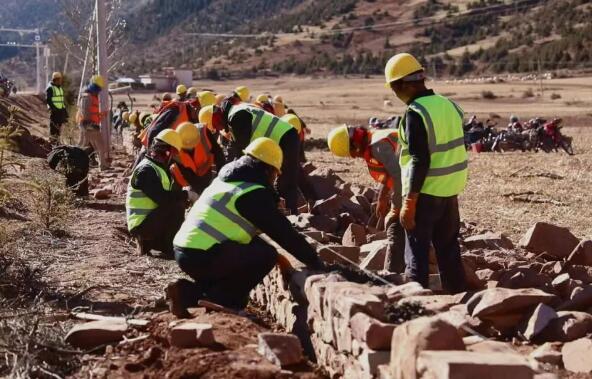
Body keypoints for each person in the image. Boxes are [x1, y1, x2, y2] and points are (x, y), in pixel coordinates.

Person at [167, 137, 325, 317]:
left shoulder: (230, 180)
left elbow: (249, 234)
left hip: (188, 250)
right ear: (267, 169)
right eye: (275, 173)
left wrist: (283, 261)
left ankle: (185, 293)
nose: (275, 179)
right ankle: (225, 303)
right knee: (265, 256)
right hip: (203, 255)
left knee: (258, 252)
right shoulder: (251, 193)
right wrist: (315, 262)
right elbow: (283, 233)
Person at [385, 52, 468, 294]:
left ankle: (416, 305)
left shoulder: (415, 112)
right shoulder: (449, 105)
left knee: (417, 253)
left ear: (402, 85)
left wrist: (409, 201)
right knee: (448, 249)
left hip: (425, 191)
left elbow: (420, 159)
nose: (394, 94)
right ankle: (461, 301)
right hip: (450, 188)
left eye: (394, 88)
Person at [327, 125, 405, 272]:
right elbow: (392, 168)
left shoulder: (378, 146)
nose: (355, 157)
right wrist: (383, 194)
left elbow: (399, 175)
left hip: (422, 185)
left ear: (355, 144)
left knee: (395, 229)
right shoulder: (374, 139)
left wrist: (395, 207)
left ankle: (394, 277)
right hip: (419, 182)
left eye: (352, 153)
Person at [201, 103, 301, 214]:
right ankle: (307, 203)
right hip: (285, 137)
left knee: (285, 182)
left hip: (284, 139)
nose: (218, 129)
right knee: (291, 176)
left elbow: (242, 150)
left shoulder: (236, 117)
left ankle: (291, 216)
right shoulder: (235, 112)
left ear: (215, 119)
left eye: (215, 126)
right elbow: (235, 148)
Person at [126, 129, 194, 257]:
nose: (174, 156)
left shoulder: (157, 168)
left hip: (150, 222)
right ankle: (164, 245)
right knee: (175, 205)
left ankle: (160, 244)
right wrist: (186, 195)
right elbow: (163, 199)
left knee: (176, 203)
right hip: (141, 226)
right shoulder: (146, 170)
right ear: (166, 151)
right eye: (173, 152)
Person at [170, 121, 225, 194]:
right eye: (187, 148)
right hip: (191, 179)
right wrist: (201, 193)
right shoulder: (174, 151)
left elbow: (219, 154)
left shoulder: (203, 132)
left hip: (206, 168)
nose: (191, 148)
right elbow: (190, 178)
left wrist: (221, 177)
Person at [78, 75, 110, 170]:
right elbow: (85, 113)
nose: (99, 90)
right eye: (98, 88)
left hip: (91, 125)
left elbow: (93, 113)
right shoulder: (87, 97)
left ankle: (102, 165)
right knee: (91, 145)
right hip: (88, 125)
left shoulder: (92, 96)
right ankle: (74, 161)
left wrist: (102, 114)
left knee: (93, 145)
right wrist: (89, 125)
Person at [46, 72, 68, 144]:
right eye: (59, 79)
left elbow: (61, 101)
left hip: (60, 112)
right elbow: (48, 100)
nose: (61, 81)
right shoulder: (50, 88)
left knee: (58, 130)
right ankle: (52, 144)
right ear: (55, 80)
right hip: (55, 112)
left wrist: (65, 113)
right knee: (53, 130)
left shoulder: (59, 88)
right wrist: (53, 109)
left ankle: (57, 143)